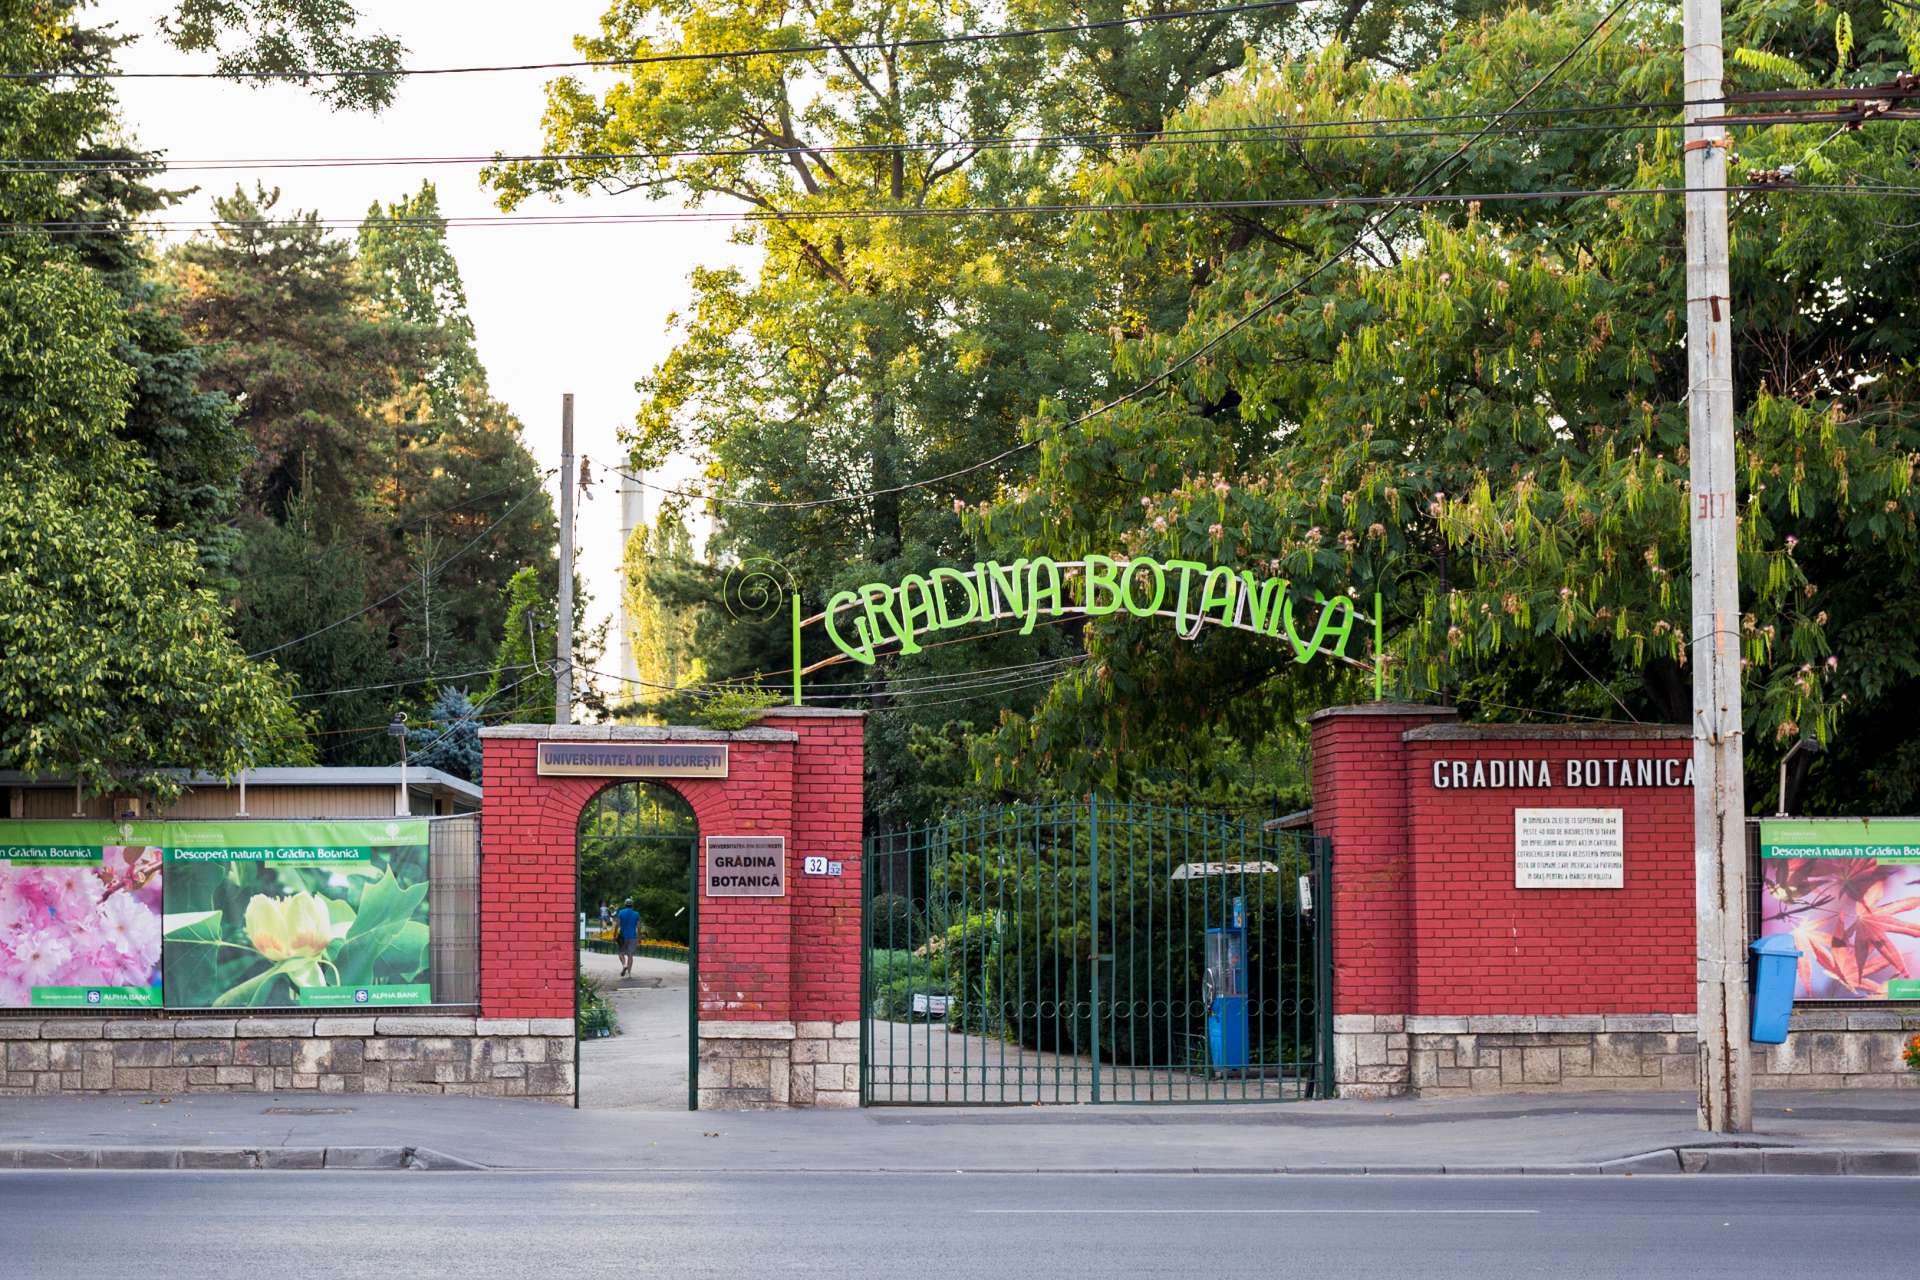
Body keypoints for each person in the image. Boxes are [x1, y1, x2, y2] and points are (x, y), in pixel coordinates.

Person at [615, 898, 642, 977]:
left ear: (625, 905)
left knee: (621, 953)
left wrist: (614, 935)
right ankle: (629, 973)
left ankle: (624, 965)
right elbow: (639, 927)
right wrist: (639, 938)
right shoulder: (636, 914)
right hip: (633, 937)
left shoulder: (621, 912)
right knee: (630, 955)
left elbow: (617, 925)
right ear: (632, 905)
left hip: (623, 937)